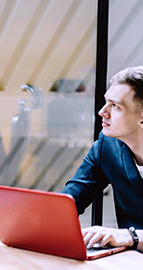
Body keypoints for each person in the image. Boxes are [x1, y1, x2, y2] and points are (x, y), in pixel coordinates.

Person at [61, 66, 143, 252]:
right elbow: (71, 198)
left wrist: (130, 236)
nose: (102, 112)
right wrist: (33, 218)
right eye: (106, 102)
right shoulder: (108, 145)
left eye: (115, 106)